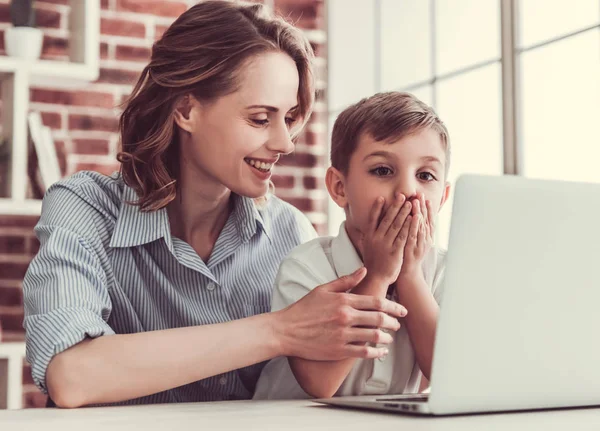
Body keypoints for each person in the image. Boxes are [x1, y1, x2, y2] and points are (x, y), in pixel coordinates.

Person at [21, 1, 407, 408]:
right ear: (186, 110)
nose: (285, 142)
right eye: (260, 119)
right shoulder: (84, 208)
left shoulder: (290, 233)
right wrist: (279, 330)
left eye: (289, 117)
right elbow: (71, 374)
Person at [254, 92, 452, 399]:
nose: (408, 190)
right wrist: (378, 276)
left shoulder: (443, 271)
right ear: (339, 187)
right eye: (383, 171)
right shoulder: (307, 266)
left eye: (425, 175)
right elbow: (319, 384)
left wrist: (410, 275)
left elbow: (449, 373)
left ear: (442, 197)